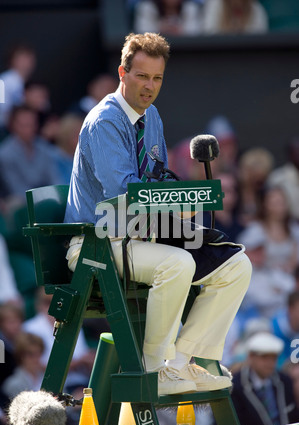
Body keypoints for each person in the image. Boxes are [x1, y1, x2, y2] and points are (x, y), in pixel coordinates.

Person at [64, 32, 251, 396]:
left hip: (143, 234)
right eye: (142, 76)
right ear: (122, 72)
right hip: (96, 244)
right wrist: (177, 204)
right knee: (178, 263)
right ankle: (155, 368)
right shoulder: (104, 120)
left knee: (237, 266)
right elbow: (124, 194)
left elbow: (155, 182)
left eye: (157, 78)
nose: (150, 86)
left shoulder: (152, 117)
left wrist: (185, 204)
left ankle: (182, 363)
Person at [231, 332, 299, 425]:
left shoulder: (284, 381)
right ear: (251, 357)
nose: (270, 363)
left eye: (273, 358)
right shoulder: (236, 385)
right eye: (264, 357)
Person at [0, 105, 59, 207]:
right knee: (16, 203)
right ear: (13, 125)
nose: (28, 128)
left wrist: (58, 196)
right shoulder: (5, 153)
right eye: (23, 125)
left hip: (47, 197)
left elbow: (54, 179)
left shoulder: (44, 148)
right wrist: (45, 198)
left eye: (31, 124)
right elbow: (16, 189)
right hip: (21, 202)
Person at [133, 0, 203, 36]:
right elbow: (142, 34)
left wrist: (178, 30)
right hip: (154, 54)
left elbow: (194, 34)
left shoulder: (191, 8)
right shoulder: (146, 7)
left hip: (186, 54)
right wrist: (160, 30)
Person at [202, 0, 268, 34]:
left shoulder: (256, 9)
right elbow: (209, 35)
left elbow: (258, 42)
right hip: (222, 56)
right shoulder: (215, 5)